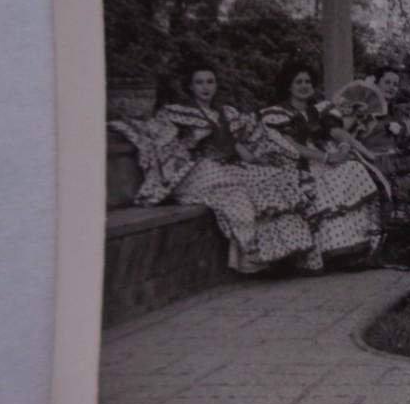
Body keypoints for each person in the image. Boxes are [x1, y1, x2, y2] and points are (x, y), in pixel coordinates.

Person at [109, 60, 315, 273]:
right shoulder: (179, 113)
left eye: (210, 82)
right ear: (190, 86)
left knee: (277, 180)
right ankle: (252, 253)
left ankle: (282, 254)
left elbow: (247, 141)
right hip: (202, 170)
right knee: (236, 193)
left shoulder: (227, 113)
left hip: (233, 166)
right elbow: (161, 137)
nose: (206, 87)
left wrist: (262, 158)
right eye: (199, 82)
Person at [258, 62, 384, 268]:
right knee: (326, 184)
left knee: (354, 169)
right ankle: (331, 252)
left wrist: (346, 148)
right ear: (288, 86)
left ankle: (357, 249)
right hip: (300, 163)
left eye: (307, 81)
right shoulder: (279, 113)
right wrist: (327, 158)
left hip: (327, 155)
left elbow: (336, 133)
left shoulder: (319, 109)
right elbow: (295, 147)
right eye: (298, 82)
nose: (304, 86)